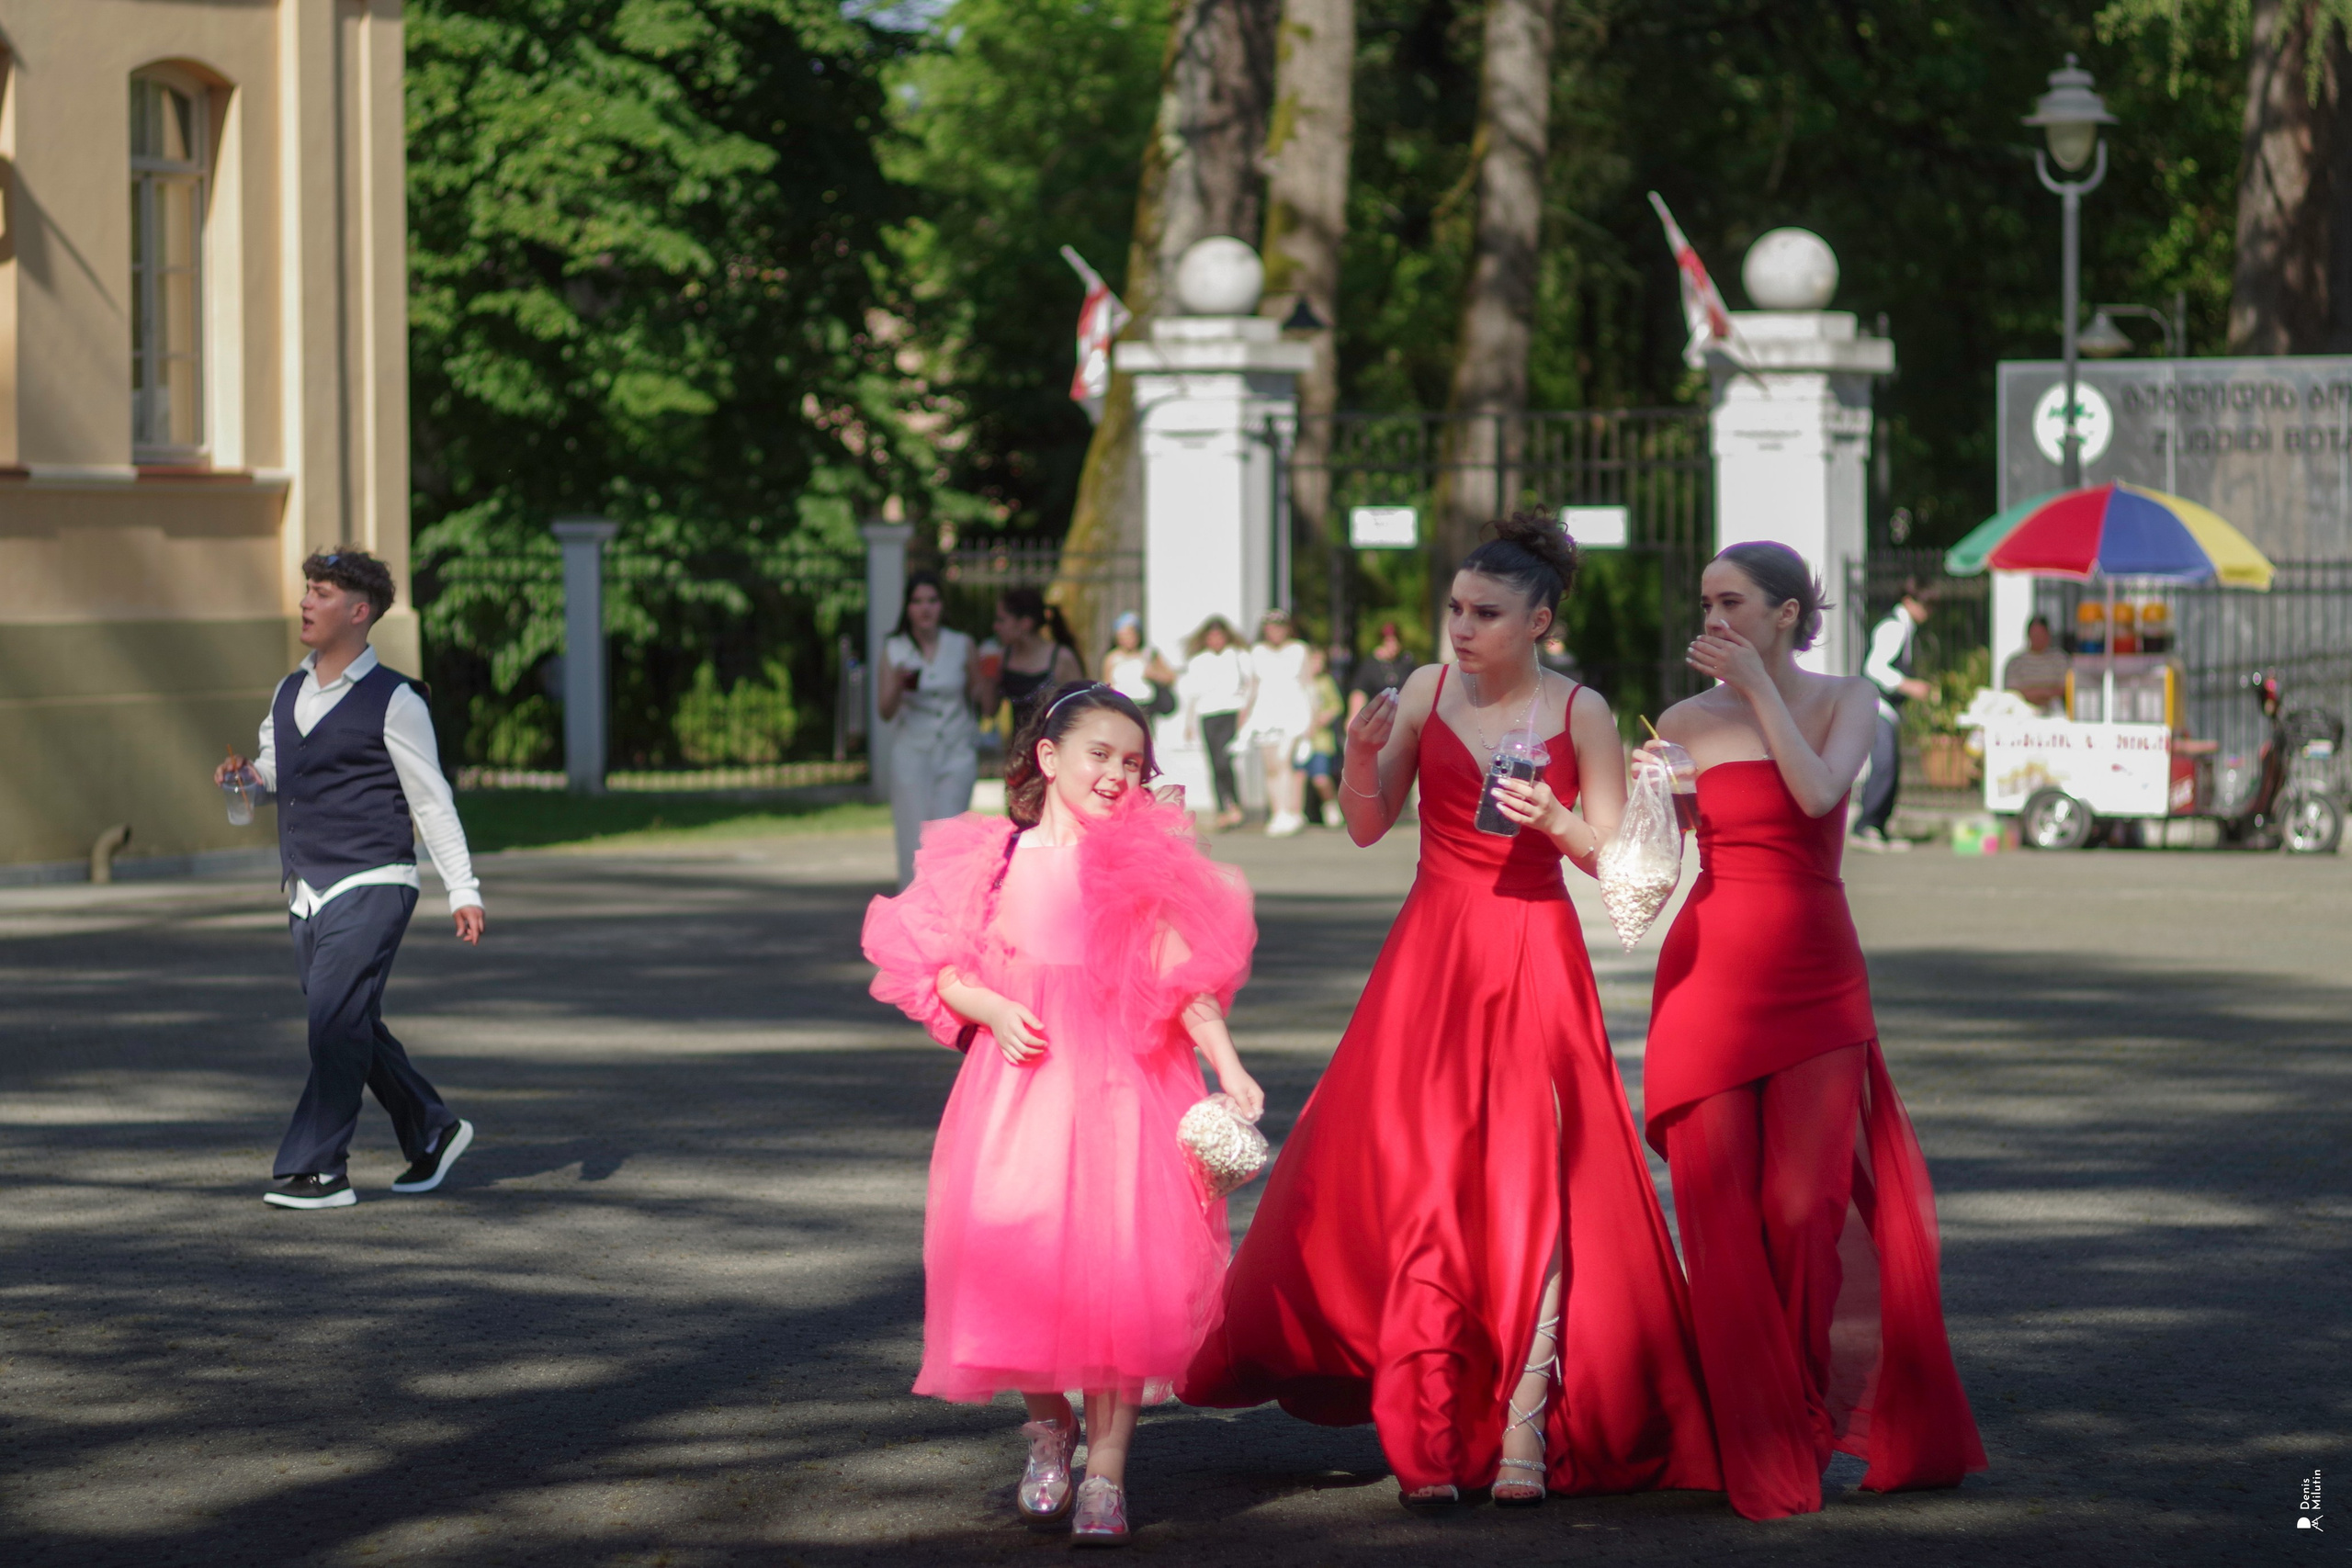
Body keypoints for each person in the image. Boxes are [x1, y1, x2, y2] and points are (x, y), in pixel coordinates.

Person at [1182, 513, 1720, 1510]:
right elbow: (1367, 826)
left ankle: (1523, 1429)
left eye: (1486, 614)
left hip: (1533, 953)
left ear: (1539, 621)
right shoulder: (1428, 690)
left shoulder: (1583, 712)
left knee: (1535, 1182)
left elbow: (1617, 864)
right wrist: (1358, 757)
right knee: (1423, 1183)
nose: (1462, 628)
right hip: (1430, 954)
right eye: (1456, 610)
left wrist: (1556, 820)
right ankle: (1425, 1434)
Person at [861, 682, 1262, 1545]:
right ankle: (1050, 1424)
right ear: (1049, 757)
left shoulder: (1139, 862)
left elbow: (1180, 977)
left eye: (1134, 762)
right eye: (1100, 754)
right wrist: (991, 1007)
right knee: (1015, 1254)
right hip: (1022, 1087)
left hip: (1127, 1085)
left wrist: (1227, 1062)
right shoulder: (994, 857)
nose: (1118, 774)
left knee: (1121, 1267)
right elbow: (942, 962)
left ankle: (1107, 1474)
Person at [1645, 542, 1986, 1520]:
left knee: (1804, 1210)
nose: (1713, 620)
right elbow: (1643, 864)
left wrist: (1757, 690)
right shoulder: (1682, 720)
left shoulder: (1850, 699)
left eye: (1731, 602)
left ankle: (1801, 1414)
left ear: (1787, 612)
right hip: (1707, 977)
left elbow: (1816, 794)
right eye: (1705, 604)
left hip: (1815, 974)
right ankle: (1756, 1438)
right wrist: (1604, 811)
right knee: (1719, 1213)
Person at [215, 549, 481, 1211]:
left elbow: (432, 801)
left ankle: (319, 1169)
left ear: (359, 612)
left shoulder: (397, 699)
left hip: (375, 879)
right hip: (306, 889)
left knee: (333, 1020)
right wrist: (246, 779)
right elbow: (277, 772)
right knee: (348, 1020)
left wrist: (464, 888)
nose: (306, 601)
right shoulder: (287, 690)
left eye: (323, 592)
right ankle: (433, 1129)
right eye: (308, 589)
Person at [877, 571, 982, 887]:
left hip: (956, 751)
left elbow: (981, 698)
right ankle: (913, 905)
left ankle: (950, 907)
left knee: (950, 836)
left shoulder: (961, 644)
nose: (925, 608)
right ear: (907, 608)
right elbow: (885, 711)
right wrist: (897, 683)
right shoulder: (895, 648)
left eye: (932, 600)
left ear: (942, 606)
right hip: (913, 754)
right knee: (913, 839)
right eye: (918, 601)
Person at [1856, 578, 1935, 851]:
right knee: (1884, 765)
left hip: (1886, 709)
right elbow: (1874, 667)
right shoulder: (1893, 627)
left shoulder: (1905, 628)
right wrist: (1908, 685)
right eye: (1926, 604)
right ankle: (1865, 826)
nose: (1929, 611)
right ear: (1908, 601)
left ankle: (1878, 828)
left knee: (1892, 768)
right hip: (1876, 706)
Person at [1240, 608, 1314, 837]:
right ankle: (1277, 811)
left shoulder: (1299, 650)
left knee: (1284, 761)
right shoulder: (1257, 652)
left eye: (1280, 627)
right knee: (1271, 765)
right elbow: (1252, 687)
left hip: (1293, 711)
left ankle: (1290, 811)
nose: (1275, 632)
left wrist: (1312, 719)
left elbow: (1308, 684)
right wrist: (1244, 717)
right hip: (1266, 712)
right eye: (1271, 627)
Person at [981, 587, 1084, 735]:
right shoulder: (1003, 657)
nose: (996, 627)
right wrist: (989, 673)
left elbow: (1081, 708)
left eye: (1002, 620)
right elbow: (989, 711)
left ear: (1026, 623)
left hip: (1051, 743)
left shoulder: (1060, 658)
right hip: (1018, 746)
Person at [1181, 615, 1250, 830]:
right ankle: (1222, 809)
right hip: (1207, 715)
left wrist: (1244, 714)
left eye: (1219, 636)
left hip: (1230, 712)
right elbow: (1193, 695)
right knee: (1214, 763)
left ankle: (1234, 803)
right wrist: (1189, 723)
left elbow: (1249, 686)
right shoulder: (1199, 661)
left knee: (1224, 761)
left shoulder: (1237, 656)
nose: (1216, 640)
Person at [1301, 647, 1345, 827]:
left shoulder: (1325, 682)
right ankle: (1297, 812)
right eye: (1314, 661)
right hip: (1300, 739)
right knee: (1299, 776)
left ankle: (1330, 806)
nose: (1317, 665)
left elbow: (1337, 705)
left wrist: (1326, 716)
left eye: (1321, 661)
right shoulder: (1299, 683)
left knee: (1320, 778)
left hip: (1320, 740)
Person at [1099, 611, 1177, 713]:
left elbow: (1170, 677)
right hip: (1122, 706)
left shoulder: (1149, 654)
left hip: (1146, 706)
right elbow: (1107, 683)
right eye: (1123, 635)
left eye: (1130, 634)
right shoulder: (1112, 658)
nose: (1127, 639)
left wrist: (1154, 674)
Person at [1346, 619, 1417, 727]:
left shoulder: (1406, 662)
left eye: (1395, 642)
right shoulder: (1370, 665)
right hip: (1379, 719)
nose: (1392, 646)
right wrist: (1353, 717)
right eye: (1388, 642)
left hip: (1403, 718)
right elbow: (1359, 692)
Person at [2001, 615, 2069, 714]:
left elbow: (2065, 687)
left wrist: (2041, 693)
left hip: (2054, 712)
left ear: (2048, 635)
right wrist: (2044, 692)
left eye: (2041, 634)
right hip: (2022, 713)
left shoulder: (2060, 660)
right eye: (2035, 635)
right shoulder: (2015, 663)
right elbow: (2013, 693)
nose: (2038, 638)